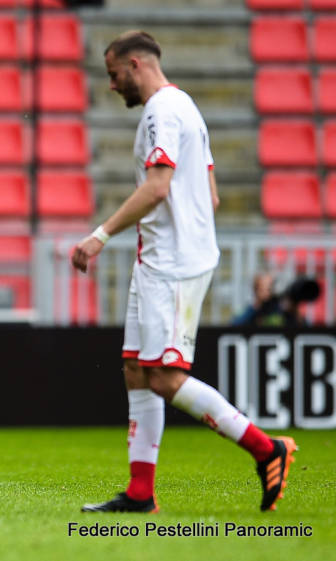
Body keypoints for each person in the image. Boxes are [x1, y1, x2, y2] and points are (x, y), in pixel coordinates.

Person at [71, 31, 296, 513]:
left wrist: (100, 235)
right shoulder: (185, 108)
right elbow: (209, 193)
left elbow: (157, 188)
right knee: (137, 369)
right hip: (161, 257)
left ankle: (266, 448)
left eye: (113, 75)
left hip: (172, 263)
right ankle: (139, 493)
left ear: (135, 65)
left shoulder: (162, 112)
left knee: (166, 377)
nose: (112, 86)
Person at [231, 273, 307, 327]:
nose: (269, 290)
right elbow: (235, 326)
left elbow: (304, 328)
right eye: (264, 287)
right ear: (257, 290)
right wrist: (258, 304)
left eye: (272, 285)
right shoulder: (250, 309)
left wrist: (294, 309)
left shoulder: (282, 308)